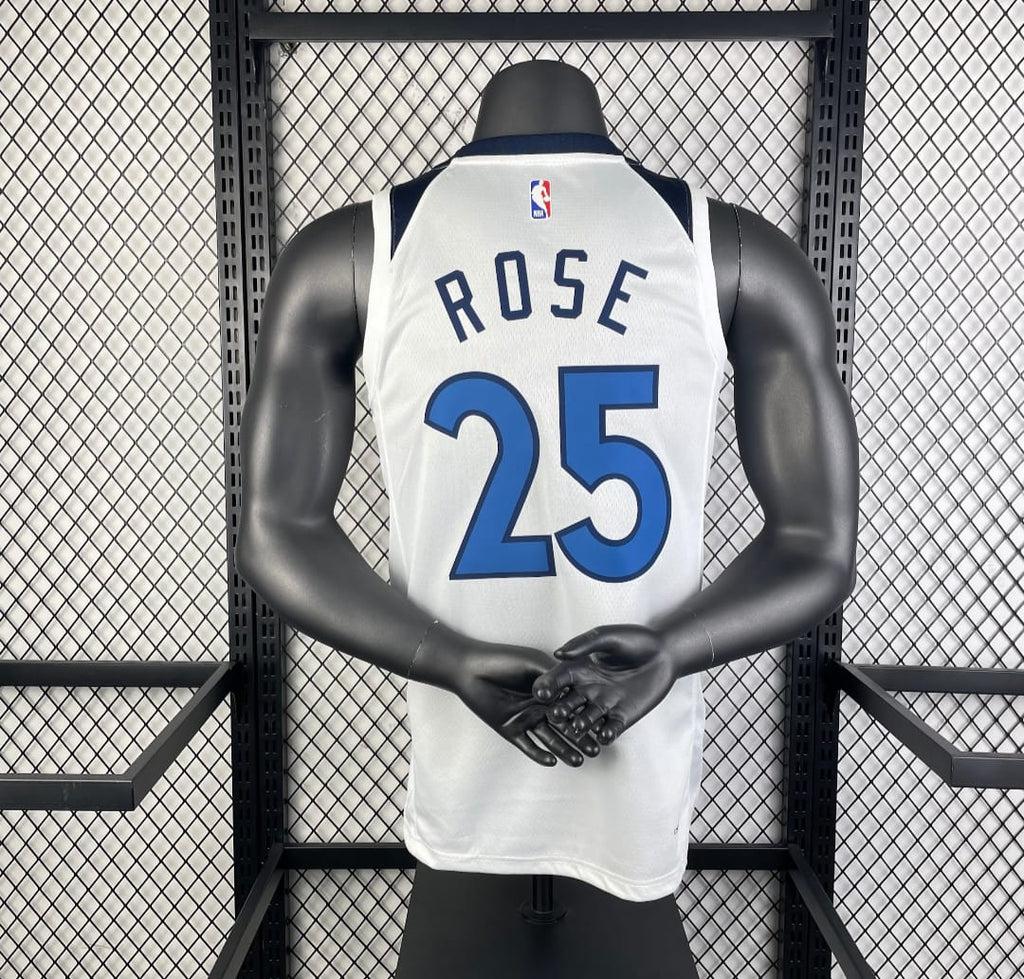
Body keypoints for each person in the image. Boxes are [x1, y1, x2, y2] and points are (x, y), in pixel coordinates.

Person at [235, 59, 859, 902]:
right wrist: (668, 653)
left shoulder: (348, 251)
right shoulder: (740, 252)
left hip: (477, 766)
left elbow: (277, 533)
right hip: (623, 767)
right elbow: (817, 547)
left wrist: (449, 659)